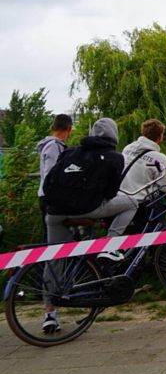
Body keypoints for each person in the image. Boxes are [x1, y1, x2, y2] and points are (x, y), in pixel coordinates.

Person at [42, 118, 138, 334]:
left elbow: (51, 179)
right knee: (131, 203)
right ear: (114, 135)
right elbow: (111, 193)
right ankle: (109, 245)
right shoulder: (114, 156)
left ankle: (49, 314)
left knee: (54, 259)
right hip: (85, 209)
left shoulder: (71, 151)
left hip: (55, 211)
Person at [36, 114, 73, 241]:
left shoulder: (51, 145)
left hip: (45, 194)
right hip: (50, 196)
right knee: (49, 237)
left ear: (52, 127)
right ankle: (46, 260)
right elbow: (51, 174)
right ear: (69, 129)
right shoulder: (54, 146)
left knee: (49, 234)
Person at [121, 119, 166, 198]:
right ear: (160, 136)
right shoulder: (160, 158)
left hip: (122, 196)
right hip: (143, 201)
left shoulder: (127, 149)